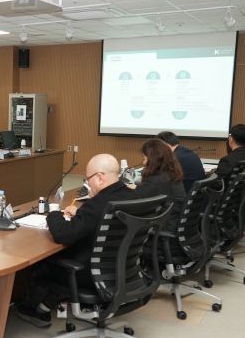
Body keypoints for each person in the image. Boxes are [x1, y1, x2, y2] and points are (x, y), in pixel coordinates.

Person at [17, 154, 138, 327]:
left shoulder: (98, 204)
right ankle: (47, 305)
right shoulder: (133, 196)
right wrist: (82, 213)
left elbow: (64, 234)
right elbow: (96, 219)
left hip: (93, 275)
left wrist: (54, 214)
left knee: (43, 263)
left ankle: (32, 308)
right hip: (124, 270)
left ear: (100, 177)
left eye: (88, 179)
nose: (87, 184)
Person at [134, 138, 186, 232]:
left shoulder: (155, 181)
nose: (143, 163)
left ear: (153, 158)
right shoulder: (171, 173)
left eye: (144, 158)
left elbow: (133, 203)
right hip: (175, 223)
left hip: (163, 229)